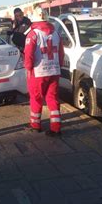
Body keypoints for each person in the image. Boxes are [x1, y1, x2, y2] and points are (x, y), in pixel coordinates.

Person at [24, 7, 64, 137]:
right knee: (52, 98)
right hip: (54, 70)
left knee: (36, 98)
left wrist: (28, 68)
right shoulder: (56, 33)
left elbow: (28, 54)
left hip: (38, 72)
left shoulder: (33, 34)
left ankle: (35, 125)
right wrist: (59, 66)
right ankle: (56, 128)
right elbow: (61, 53)